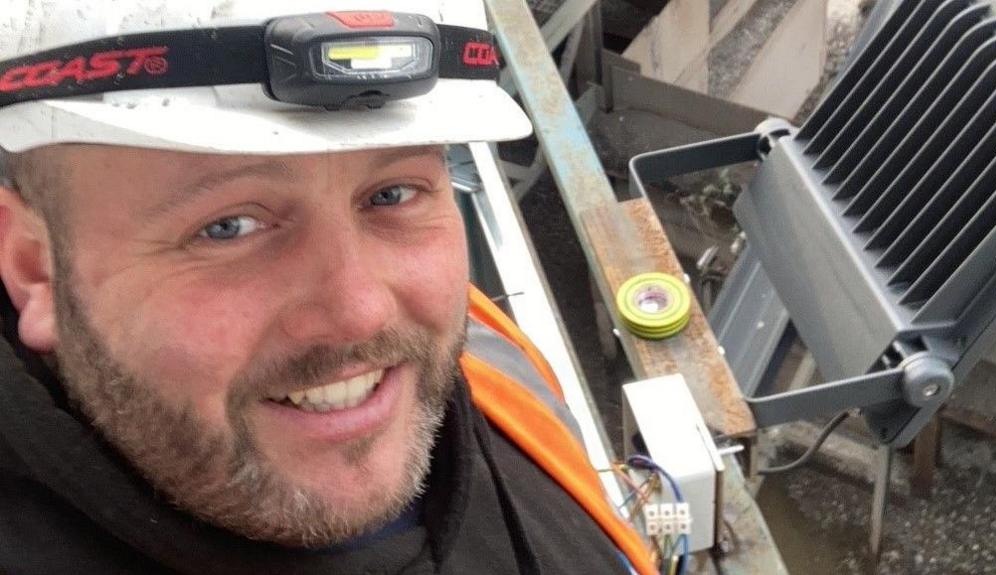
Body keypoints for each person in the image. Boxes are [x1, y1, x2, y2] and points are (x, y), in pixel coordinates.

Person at [0, 1, 654, 573]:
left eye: (392, 193)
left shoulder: (496, 365)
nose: (360, 312)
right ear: (36, 267)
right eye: (229, 226)